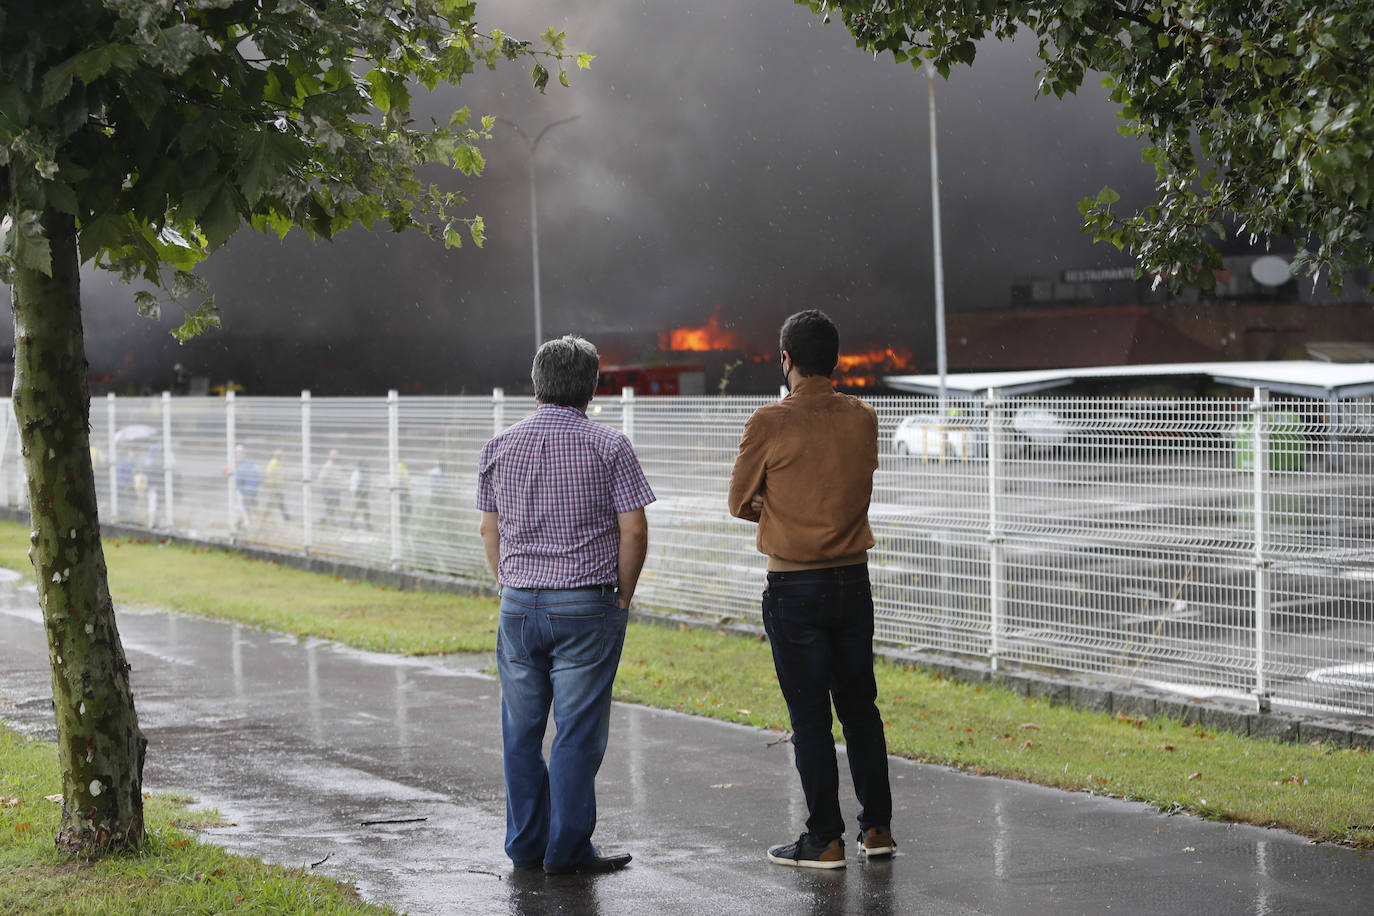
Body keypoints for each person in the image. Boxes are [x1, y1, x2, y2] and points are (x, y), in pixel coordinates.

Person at [477, 335, 653, 876]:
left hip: (519, 606)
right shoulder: (610, 446)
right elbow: (634, 527)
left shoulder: (500, 446)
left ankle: (526, 845)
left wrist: (508, 583)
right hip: (585, 607)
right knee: (576, 733)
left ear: (536, 383)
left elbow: (491, 528)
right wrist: (622, 594)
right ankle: (568, 850)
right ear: (593, 385)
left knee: (521, 731)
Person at [728, 309, 894, 869]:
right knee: (860, 708)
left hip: (794, 586)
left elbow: (738, 502)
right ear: (837, 360)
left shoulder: (769, 421)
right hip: (853, 580)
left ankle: (824, 838)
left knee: (809, 718)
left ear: (786, 360)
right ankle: (877, 829)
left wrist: (780, 512)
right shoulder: (863, 417)